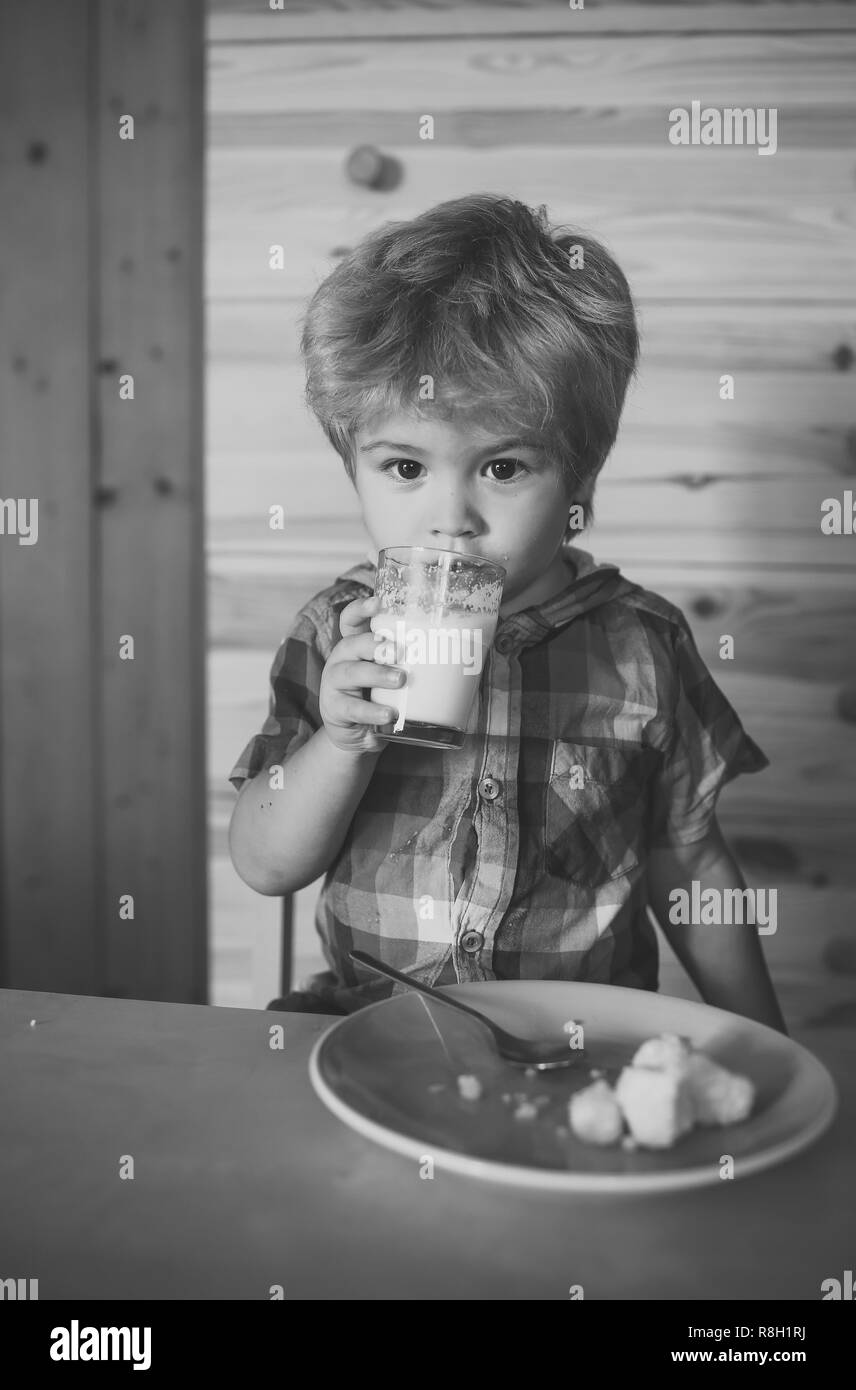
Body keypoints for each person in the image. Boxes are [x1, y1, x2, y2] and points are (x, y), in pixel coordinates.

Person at [227, 194, 787, 1034]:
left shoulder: (642, 646)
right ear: (354, 467)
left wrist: (765, 1042)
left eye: (504, 467)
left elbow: (688, 857)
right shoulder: (337, 635)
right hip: (373, 1034)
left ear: (579, 484)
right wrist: (339, 745)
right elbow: (265, 864)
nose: (450, 517)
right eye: (406, 467)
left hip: (579, 1043)